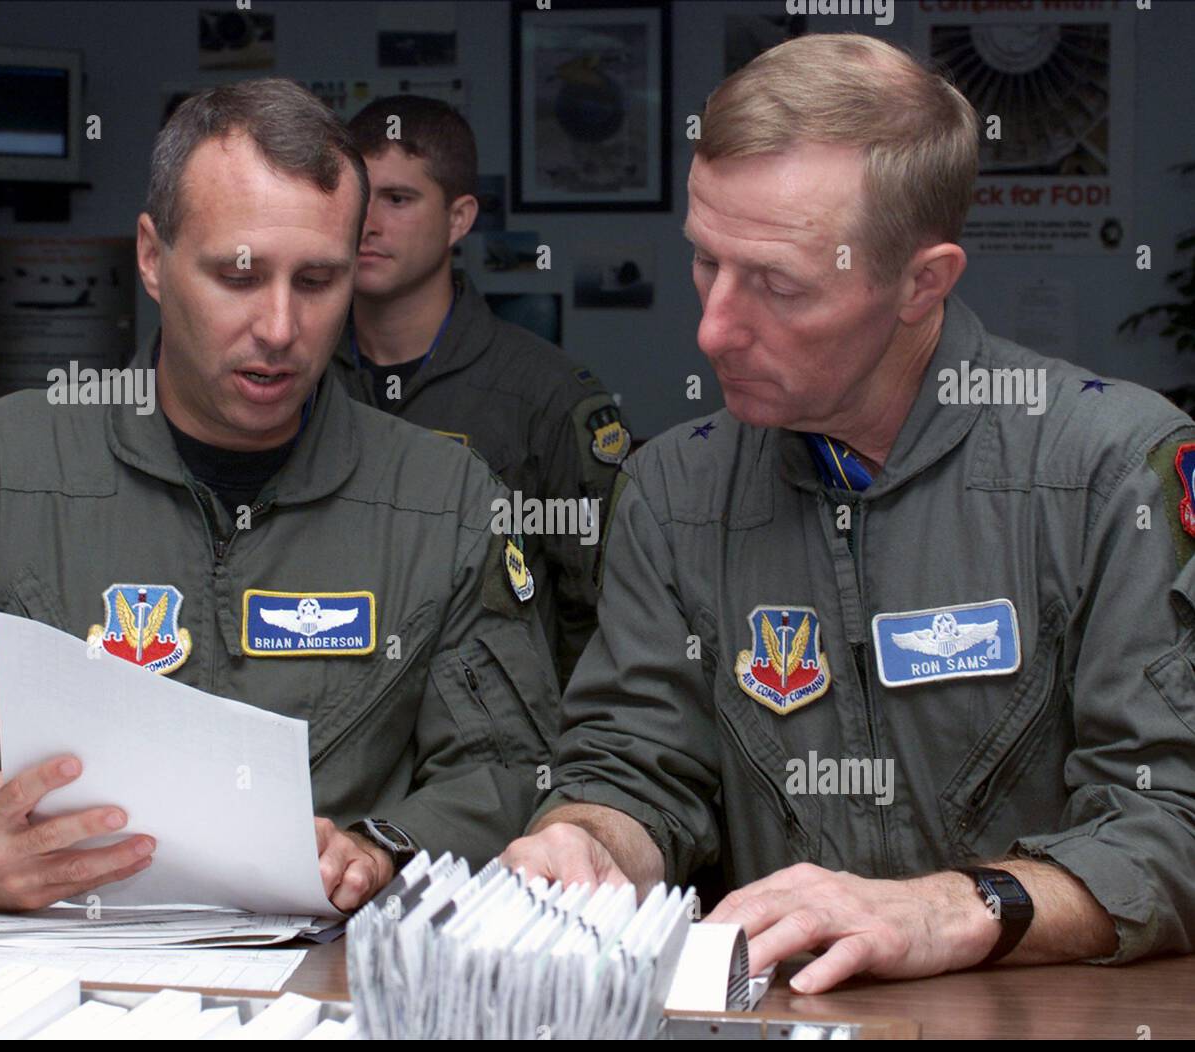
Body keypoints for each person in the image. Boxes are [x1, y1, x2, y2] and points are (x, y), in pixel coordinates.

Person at [502, 34, 1195, 992]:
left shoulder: (1110, 469)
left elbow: (1174, 823)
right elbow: (639, 764)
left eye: (778, 285)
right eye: (707, 263)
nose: (711, 329)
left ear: (923, 283)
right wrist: (586, 839)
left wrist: (953, 906)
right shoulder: (675, 489)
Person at [0, 78, 558, 914]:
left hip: (325, 986)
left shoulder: (446, 502)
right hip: (55, 985)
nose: (280, 327)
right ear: (151, 258)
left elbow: (508, 768)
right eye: (238, 277)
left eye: (318, 281)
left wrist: (384, 847)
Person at [328, 95, 629, 688]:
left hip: (500, 745)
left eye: (398, 199)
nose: (369, 223)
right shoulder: (296, 376)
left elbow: (598, 621)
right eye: (357, 197)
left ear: (459, 218)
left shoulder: (547, 394)